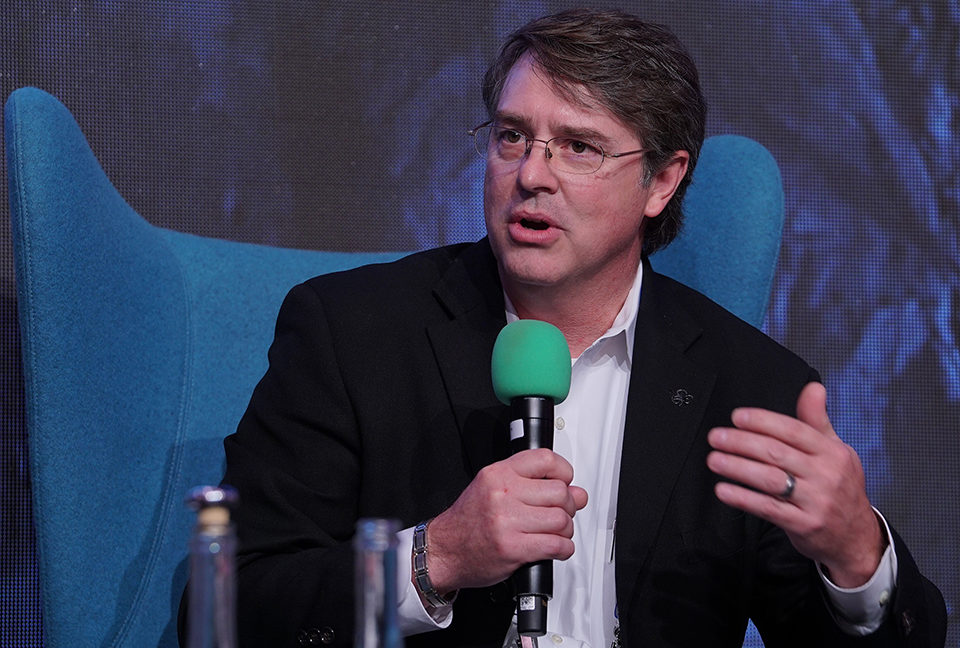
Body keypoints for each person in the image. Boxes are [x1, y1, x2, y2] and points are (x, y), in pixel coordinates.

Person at [206, 9, 946, 647]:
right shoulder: (351, 334)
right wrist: (438, 557)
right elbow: (230, 606)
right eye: (512, 136)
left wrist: (856, 556)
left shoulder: (749, 388)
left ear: (662, 181)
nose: (532, 175)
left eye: (579, 147)